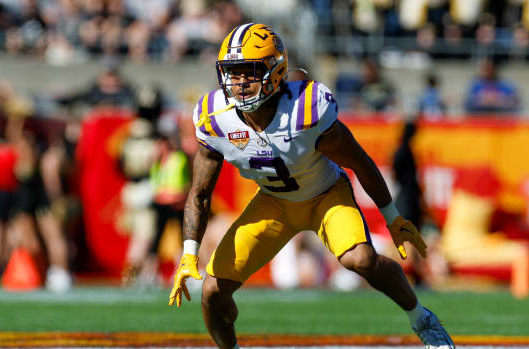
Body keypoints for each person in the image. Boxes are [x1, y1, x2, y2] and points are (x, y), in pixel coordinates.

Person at [167, 23, 455, 349]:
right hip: (274, 203)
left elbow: (359, 161)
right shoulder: (214, 117)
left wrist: (393, 218)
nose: (240, 83)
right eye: (233, 73)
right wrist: (189, 252)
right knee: (212, 293)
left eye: (250, 72)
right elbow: (200, 193)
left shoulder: (305, 108)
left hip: (325, 195)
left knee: (361, 260)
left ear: (275, 71)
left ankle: (421, 317)